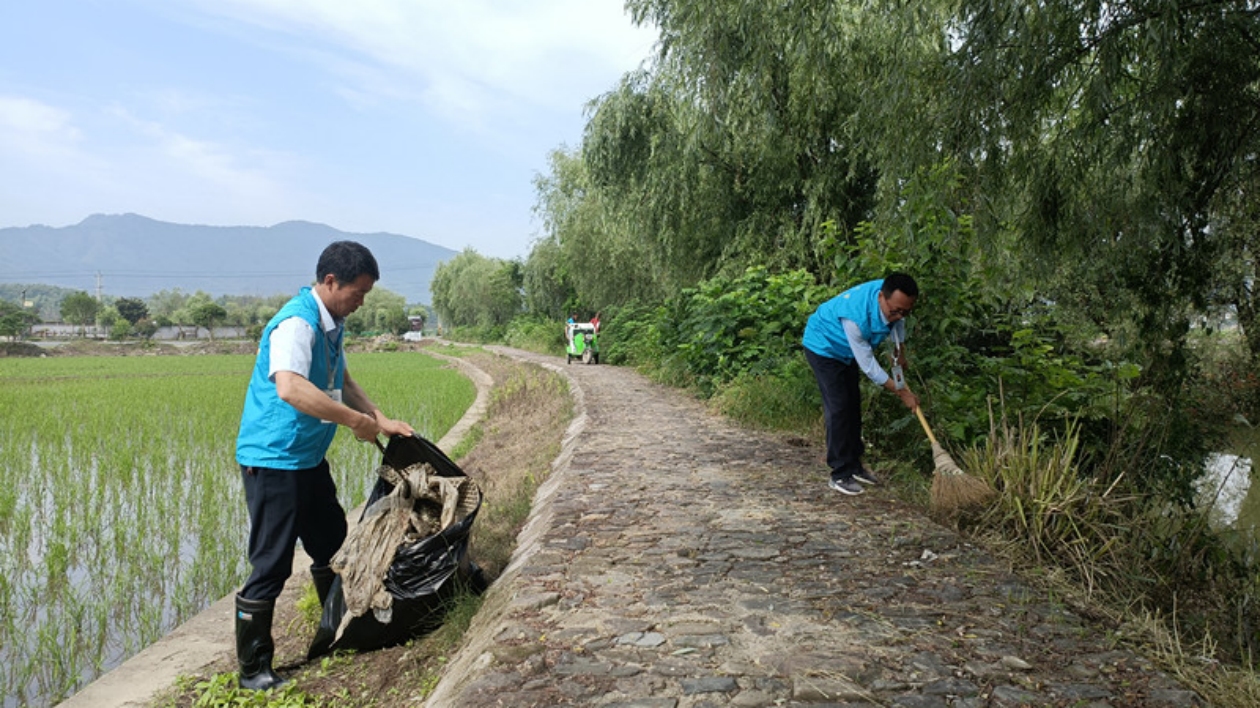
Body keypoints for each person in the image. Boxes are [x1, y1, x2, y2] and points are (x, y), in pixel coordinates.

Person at [233, 240, 415, 690]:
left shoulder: (331, 325)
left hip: (307, 458)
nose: (361, 301)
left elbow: (341, 380)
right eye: (358, 292)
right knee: (271, 564)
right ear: (330, 281)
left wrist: (379, 419)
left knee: (332, 546)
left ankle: (339, 630)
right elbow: (291, 389)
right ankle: (254, 669)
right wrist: (356, 423)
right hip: (275, 460)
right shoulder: (297, 323)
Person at [802, 273, 920, 496]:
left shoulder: (894, 298)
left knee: (853, 405)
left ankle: (855, 465)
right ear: (881, 298)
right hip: (824, 346)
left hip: (845, 353)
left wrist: (899, 351)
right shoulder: (855, 318)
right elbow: (869, 366)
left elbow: (899, 323)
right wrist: (902, 392)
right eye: (894, 310)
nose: (899, 316)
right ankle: (839, 473)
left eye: (905, 311)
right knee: (839, 407)